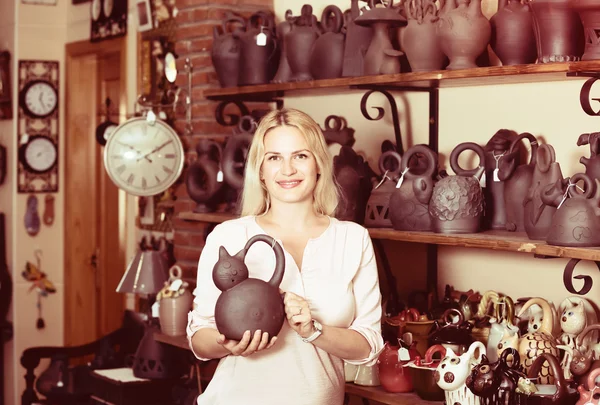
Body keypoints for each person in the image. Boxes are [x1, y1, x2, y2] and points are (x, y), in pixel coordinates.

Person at [186, 108, 384, 405]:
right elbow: (199, 337)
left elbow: (368, 346)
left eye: (300, 156)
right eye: (274, 158)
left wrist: (313, 330)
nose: (288, 169)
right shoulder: (229, 237)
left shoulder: (352, 239)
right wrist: (228, 344)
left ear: (318, 164)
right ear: (261, 171)